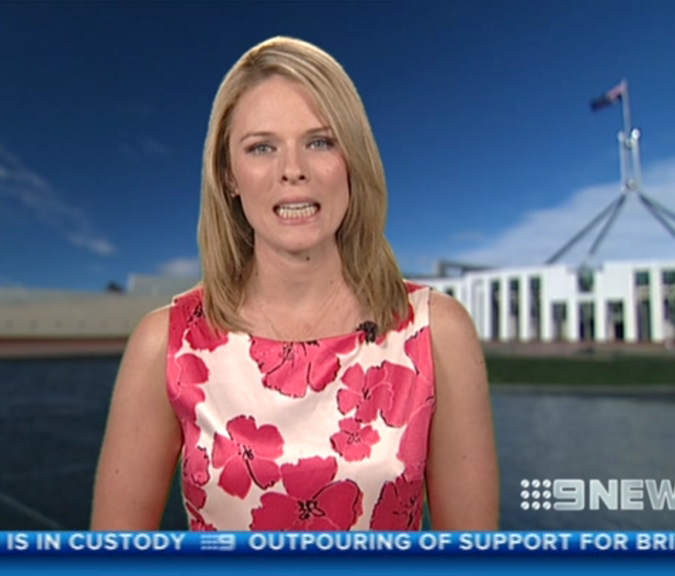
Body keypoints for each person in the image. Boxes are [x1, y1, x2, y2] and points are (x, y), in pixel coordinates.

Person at [91, 36, 499, 531]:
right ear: (229, 176)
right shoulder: (167, 345)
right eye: (262, 148)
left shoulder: (437, 334)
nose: (293, 171)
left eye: (320, 142)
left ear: (352, 160)